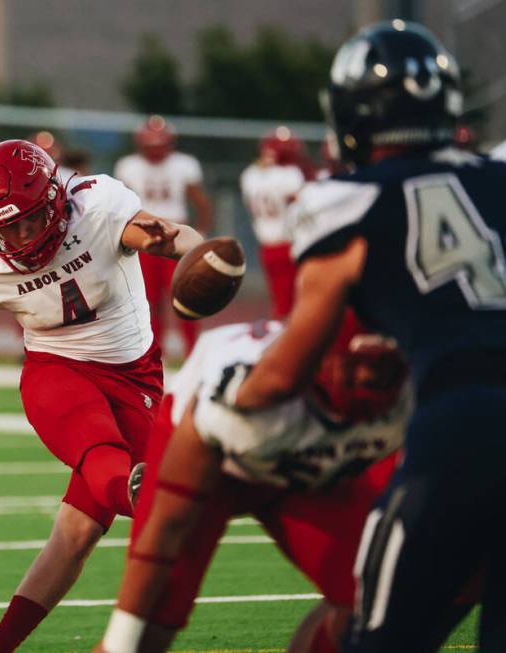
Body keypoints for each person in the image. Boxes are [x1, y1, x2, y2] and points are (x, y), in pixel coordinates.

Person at [198, 21, 506, 652]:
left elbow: (291, 369)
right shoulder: (498, 175)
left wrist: (231, 395)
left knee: (378, 635)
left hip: (463, 423)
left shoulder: (343, 200)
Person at [0, 138, 205, 652]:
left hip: (135, 376)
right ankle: (132, 491)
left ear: (55, 199)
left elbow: (164, 236)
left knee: (75, 536)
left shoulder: (96, 206)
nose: (23, 237)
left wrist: (200, 250)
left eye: (30, 219)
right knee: (103, 455)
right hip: (57, 369)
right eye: (7, 227)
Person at [94, 316, 411, 653]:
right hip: (218, 467)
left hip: (311, 472)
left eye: (383, 371)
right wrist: (121, 640)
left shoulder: (413, 396)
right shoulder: (242, 401)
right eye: (355, 370)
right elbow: (167, 527)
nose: (367, 379)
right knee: (147, 631)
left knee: (376, 600)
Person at [113, 115, 213, 356]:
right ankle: (154, 352)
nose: (155, 151)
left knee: (185, 296)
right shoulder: (128, 166)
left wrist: (199, 233)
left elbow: (201, 203)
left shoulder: (183, 164)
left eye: (159, 145)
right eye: (151, 145)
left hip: (177, 233)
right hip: (143, 238)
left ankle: (192, 353)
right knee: (147, 300)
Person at [239, 127, 311, 318]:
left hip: (266, 246)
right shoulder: (289, 175)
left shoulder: (250, 175)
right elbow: (303, 205)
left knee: (281, 302)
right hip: (290, 245)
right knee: (295, 303)